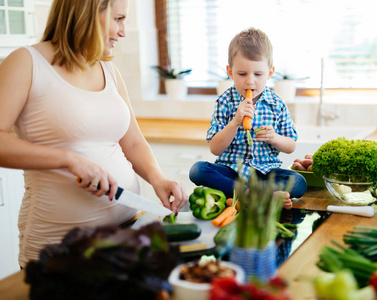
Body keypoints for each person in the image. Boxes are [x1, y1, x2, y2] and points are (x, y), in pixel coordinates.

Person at [0, 0, 187, 268]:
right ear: (88, 11)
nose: (123, 31)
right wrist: (68, 160)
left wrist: (158, 178)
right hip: (61, 248)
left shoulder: (107, 68)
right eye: (119, 19)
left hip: (126, 235)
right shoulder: (26, 62)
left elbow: (132, 141)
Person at [189, 28, 306, 209]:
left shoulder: (277, 104)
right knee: (198, 170)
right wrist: (235, 121)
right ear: (230, 71)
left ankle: (255, 193)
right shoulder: (224, 101)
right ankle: (254, 195)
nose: (250, 81)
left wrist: (274, 138)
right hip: (232, 171)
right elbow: (215, 148)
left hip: (267, 172)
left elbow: (291, 146)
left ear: (270, 72)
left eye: (258, 74)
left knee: (298, 181)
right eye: (242, 74)